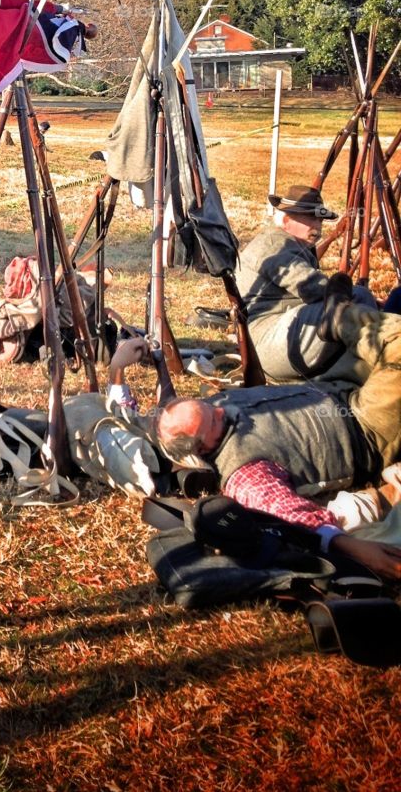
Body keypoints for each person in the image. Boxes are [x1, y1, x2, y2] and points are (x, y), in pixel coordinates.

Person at [129, 287, 401, 580]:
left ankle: (344, 317)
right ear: (203, 448)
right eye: (212, 421)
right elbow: (292, 517)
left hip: (336, 385)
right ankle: (340, 317)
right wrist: (355, 549)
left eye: (208, 406)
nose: (220, 410)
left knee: (397, 301)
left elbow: (131, 414)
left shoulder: (211, 410)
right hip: (364, 428)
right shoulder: (244, 473)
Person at [236, 183, 376, 382]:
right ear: (285, 220)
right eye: (311, 218)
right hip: (265, 344)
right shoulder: (276, 243)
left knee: (352, 304)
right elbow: (312, 286)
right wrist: (347, 291)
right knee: (358, 297)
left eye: (320, 219)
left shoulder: (290, 243)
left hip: (271, 341)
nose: (317, 226)